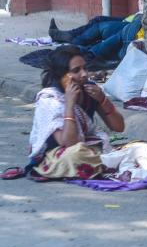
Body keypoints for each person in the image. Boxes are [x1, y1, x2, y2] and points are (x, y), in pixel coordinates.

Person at [26, 46, 125, 179]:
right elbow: (69, 143)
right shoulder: (49, 100)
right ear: (61, 75)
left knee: (142, 149)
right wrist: (69, 105)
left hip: (89, 148)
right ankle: (109, 163)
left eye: (85, 68)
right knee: (75, 155)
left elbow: (118, 127)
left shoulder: (89, 90)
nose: (84, 74)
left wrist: (102, 100)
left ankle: (105, 162)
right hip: (60, 154)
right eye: (76, 70)